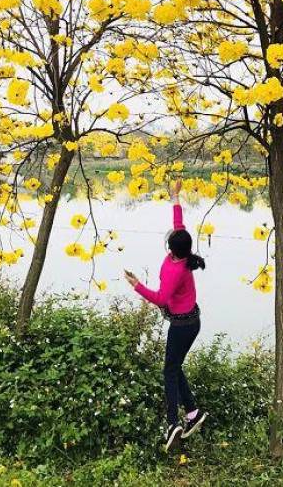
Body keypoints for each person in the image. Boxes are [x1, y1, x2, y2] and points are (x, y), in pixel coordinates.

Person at [124, 179, 208, 449]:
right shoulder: (182, 251)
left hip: (183, 326)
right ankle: (193, 414)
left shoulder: (175, 270)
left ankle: (173, 424)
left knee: (169, 371)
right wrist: (175, 196)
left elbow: (160, 298)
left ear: (172, 247)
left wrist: (137, 285)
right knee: (175, 366)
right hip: (189, 321)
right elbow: (179, 223)